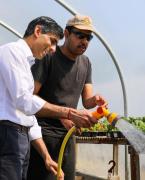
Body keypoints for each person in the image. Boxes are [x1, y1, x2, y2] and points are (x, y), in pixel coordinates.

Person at [0, 16, 97, 180]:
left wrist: (46, 156)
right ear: (38, 31)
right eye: (52, 41)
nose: (53, 48)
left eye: (89, 37)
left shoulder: (27, 62)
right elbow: (24, 100)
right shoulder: (11, 52)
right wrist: (68, 113)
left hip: (22, 137)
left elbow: (28, 117)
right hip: (8, 134)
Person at [27, 14, 107, 180]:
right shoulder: (48, 56)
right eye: (80, 35)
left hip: (68, 136)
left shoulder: (85, 63)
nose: (84, 41)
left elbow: (87, 101)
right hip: (43, 136)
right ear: (66, 33)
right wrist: (64, 114)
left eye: (89, 37)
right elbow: (29, 99)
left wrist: (96, 100)